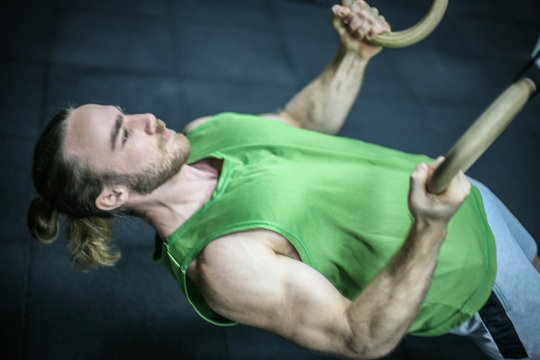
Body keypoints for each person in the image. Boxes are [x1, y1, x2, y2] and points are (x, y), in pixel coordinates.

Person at [27, 1, 539, 359]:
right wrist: (430, 227)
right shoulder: (221, 262)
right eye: (123, 133)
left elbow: (299, 125)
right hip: (471, 274)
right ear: (113, 195)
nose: (145, 118)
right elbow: (359, 337)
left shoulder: (203, 133)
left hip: (466, 198)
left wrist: (352, 58)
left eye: (124, 111)